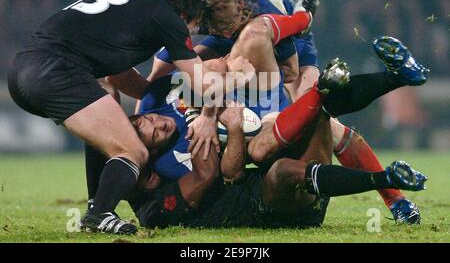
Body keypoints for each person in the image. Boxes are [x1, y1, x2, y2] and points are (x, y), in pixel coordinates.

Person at [148, 0, 429, 222]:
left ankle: (396, 200)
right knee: (269, 135)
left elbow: (290, 71)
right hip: (245, 54)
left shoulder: (261, 19)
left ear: (241, 12)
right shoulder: (195, 8)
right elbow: (162, 69)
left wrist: (222, 98)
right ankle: (396, 80)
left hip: (293, 37)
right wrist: (144, 114)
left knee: (318, 115)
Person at [8, 0, 254, 235]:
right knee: (134, 150)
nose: (188, 36)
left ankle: (97, 204)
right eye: (191, 29)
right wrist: (239, 77)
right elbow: (205, 86)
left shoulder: (131, 9)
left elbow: (118, 78)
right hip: (56, 72)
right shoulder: (167, 17)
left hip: (24, 73)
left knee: (107, 96)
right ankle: (99, 214)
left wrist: (161, 98)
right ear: (183, 16)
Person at [127, 56, 428, 229]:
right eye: (152, 134)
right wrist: (219, 120)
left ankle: (396, 77)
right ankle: (385, 178)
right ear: (145, 161)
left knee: (320, 111)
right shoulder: (157, 204)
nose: (159, 124)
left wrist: (214, 100)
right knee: (277, 164)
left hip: (304, 184)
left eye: (147, 120)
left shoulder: (163, 104)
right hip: (274, 205)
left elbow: (210, 73)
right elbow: (222, 174)